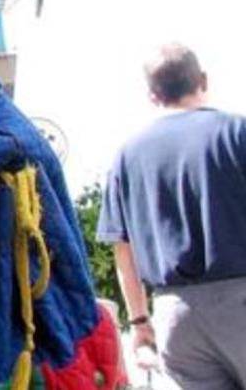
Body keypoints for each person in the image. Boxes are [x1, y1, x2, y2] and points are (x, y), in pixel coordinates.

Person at [97, 44, 246, 390]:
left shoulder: (127, 156)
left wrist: (138, 321)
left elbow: (123, 251)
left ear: (152, 95)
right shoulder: (237, 133)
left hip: (175, 315)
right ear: (203, 80)